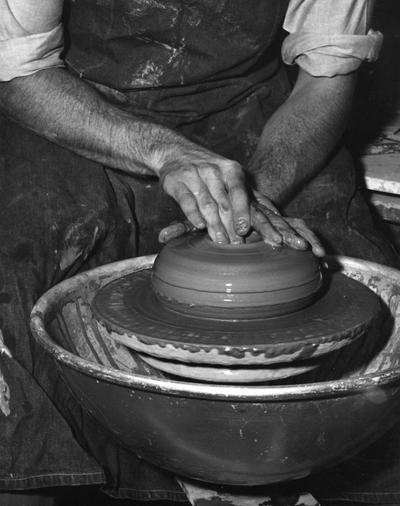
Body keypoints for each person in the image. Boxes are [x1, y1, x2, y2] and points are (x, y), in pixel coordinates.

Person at [0, 1, 398, 505]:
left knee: (360, 280)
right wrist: (165, 152)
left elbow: (328, 73)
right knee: (18, 274)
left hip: (254, 109)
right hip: (74, 104)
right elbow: (18, 70)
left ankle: (295, 470)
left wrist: (252, 196)